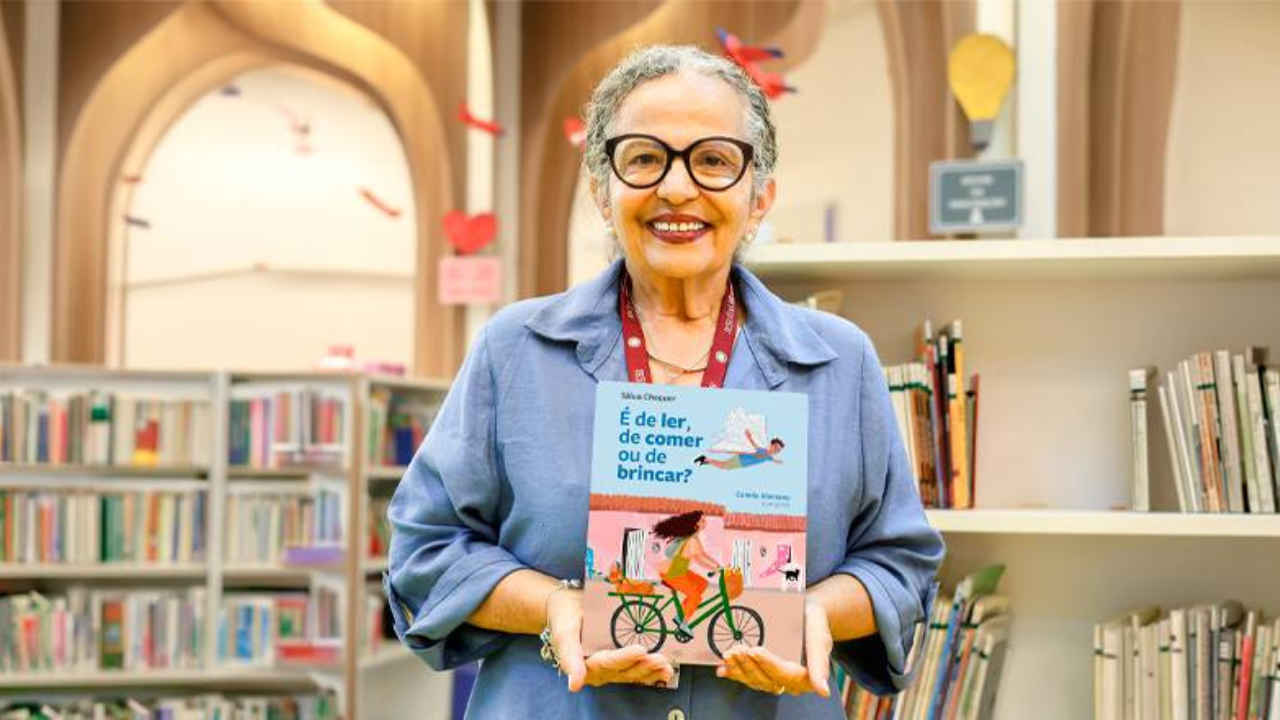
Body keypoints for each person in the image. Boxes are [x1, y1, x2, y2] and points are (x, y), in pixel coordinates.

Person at [386, 44, 944, 718]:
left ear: (759, 196)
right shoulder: (516, 351)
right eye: (645, 158)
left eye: (713, 160)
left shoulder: (840, 361)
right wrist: (557, 607)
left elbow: (902, 566)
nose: (677, 188)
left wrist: (815, 615)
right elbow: (425, 550)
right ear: (602, 190)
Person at [651, 510, 720, 635]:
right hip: (672, 572)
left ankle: (680, 615)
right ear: (696, 524)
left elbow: (703, 554)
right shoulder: (691, 540)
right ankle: (684, 624)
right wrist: (714, 568)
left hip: (680, 570)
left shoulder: (694, 537)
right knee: (695, 596)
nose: (706, 523)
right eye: (703, 521)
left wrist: (718, 565)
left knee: (702, 583)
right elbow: (699, 560)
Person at [694, 428, 783, 469]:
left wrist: (778, 461)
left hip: (743, 463)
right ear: (771, 445)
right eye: (775, 447)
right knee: (724, 466)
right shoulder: (764, 452)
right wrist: (749, 437)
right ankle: (705, 459)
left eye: (778, 450)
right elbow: (754, 447)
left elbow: (773, 460)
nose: (776, 450)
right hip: (742, 461)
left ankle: (706, 461)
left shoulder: (769, 456)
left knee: (724, 465)